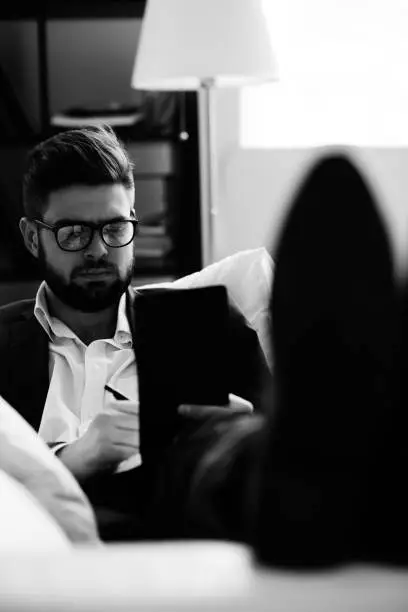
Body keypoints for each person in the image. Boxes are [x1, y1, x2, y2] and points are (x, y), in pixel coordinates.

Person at [0, 125, 270, 541]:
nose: (98, 250)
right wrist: (72, 460)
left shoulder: (208, 329)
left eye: (114, 228)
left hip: (178, 555)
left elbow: (289, 471)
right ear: (33, 238)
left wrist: (241, 443)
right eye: (74, 234)